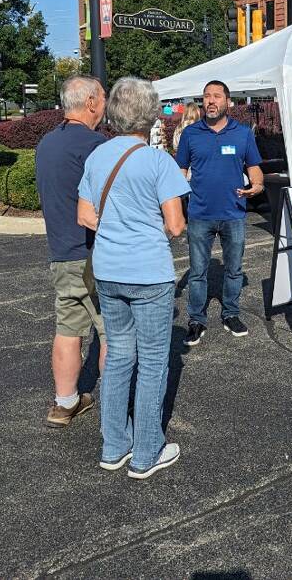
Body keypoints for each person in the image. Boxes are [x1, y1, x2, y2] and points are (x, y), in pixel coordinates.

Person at [78, 77, 191, 479]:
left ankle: (114, 445)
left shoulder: (96, 157)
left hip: (108, 268)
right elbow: (175, 225)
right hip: (148, 271)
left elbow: (85, 215)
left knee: (120, 356)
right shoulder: (159, 161)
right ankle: (147, 451)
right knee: (154, 361)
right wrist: (145, 232)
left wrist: (118, 230)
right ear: (149, 115)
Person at [35, 75, 108, 429]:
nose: (105, 106)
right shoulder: (96, 144)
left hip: (60, 250)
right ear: (91, 102)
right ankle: (114, 402)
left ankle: (65, 403)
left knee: (68, 328)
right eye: (104, 99)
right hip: (93, 253)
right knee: (112, 331)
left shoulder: (47, 143)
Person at [175, 80, 264, 346]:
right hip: (199, 214)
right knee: (198, 271)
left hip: (233, 213)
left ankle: (231, 314)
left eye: (216, 96)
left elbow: (254, 169)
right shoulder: (191, 134)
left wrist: (256, 186)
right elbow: (180, 170)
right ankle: (196, 320)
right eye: (206, 96)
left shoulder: (243, 134)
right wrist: (178, 202)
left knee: (234, 270)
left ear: (228, 101)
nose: (210, 101)